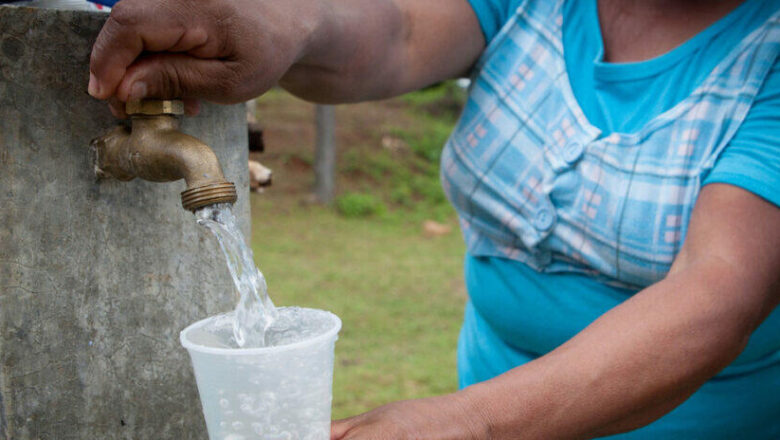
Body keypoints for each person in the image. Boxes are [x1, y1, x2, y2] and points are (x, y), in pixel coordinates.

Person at [88, 0, 780, 437]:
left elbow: (718, 291)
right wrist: (286, 23)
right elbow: (398, 32)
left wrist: (469, 423)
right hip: (491, 391)